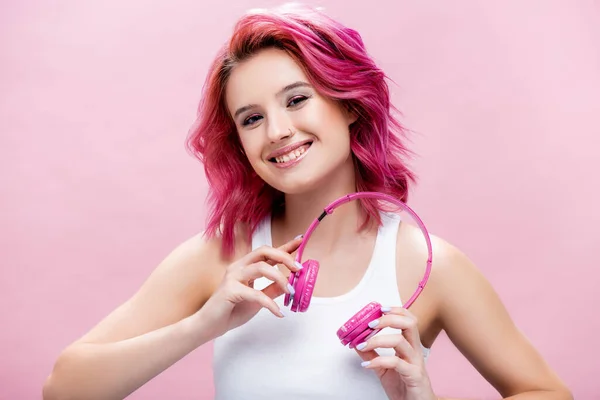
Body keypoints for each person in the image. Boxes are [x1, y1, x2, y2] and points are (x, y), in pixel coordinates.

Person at [43, 4, 572, 400]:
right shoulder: (220, 258)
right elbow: (63, 389)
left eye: (298, 99)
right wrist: (203, 325)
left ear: (349, 105)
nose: (277, 131)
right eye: (250, 118)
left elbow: (550, 393)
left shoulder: (429, 265)